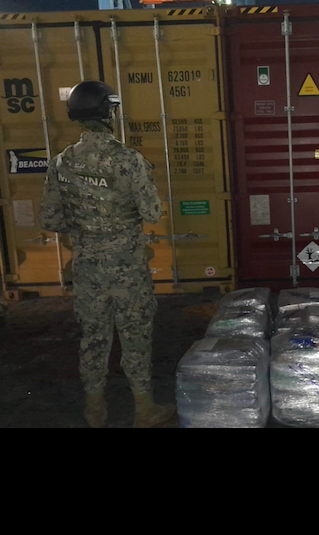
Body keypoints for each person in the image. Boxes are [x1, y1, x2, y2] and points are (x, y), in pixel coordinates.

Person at [40, 80, 175, 429]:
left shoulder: (60, 163)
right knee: (135, 336)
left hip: (87, 268)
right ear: (108, 113)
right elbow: (152, 213)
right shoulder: (128, 161)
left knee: (93, 337)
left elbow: (51, 219)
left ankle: (95, 410)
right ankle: (144, 410)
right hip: (127, 268)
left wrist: (84, 227)